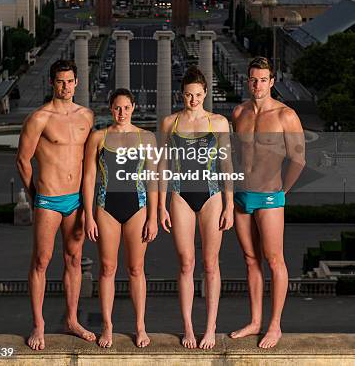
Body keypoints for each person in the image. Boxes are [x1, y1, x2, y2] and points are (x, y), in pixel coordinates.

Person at [16, 59, 95, 351]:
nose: (66, 86)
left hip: (76, 201)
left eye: (70, 81)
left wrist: (88, 202)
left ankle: (71, 320)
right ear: (52, 83)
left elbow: (90, 164)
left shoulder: (86, 115)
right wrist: (36, 193)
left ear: (77, 82)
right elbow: (23, 160)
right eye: (60, 81)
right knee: (41, 262)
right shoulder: (40, 118)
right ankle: (39, 324)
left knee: (74, 260)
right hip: (48, 200)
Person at [230, 56, 305, 349]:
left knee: (275, 260)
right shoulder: (239, 112)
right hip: (241, 196)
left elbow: (298, 159)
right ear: (248, 80)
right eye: (253, 79)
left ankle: (274, 326)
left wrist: (283, 191)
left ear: (272, 82)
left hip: (270, 195)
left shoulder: (286, 115)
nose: (257, 84)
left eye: (263, 79)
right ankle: (255, 321)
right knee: (251, 261)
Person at [159, 66, 234, 350]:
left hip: (212, 195)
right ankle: (188, 326)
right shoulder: (170, 123)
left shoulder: (219, 123)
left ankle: (211, 327)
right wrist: (161, 207)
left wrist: (228, 204)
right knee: (186, 263)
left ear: (205, 94)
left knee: (210, 264)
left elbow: (226, 164)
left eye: (198, 95)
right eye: (188, 95)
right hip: (180, 195)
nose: (193, 100)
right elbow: (163, 165)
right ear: (182, 94)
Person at [83, 88, 158, 349]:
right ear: (110, 108)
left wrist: (153, 216)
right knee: (107, 269)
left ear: (134, 108)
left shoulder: (146, 138)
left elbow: (153, 180)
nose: (122, 113)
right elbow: (89, 178)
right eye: (117, 108)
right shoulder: (98, 138)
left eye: (126, 108)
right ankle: (108, 326)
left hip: (137, 208)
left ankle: (140, 326)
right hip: (106, 207)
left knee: (136, 269)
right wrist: (88, 215)